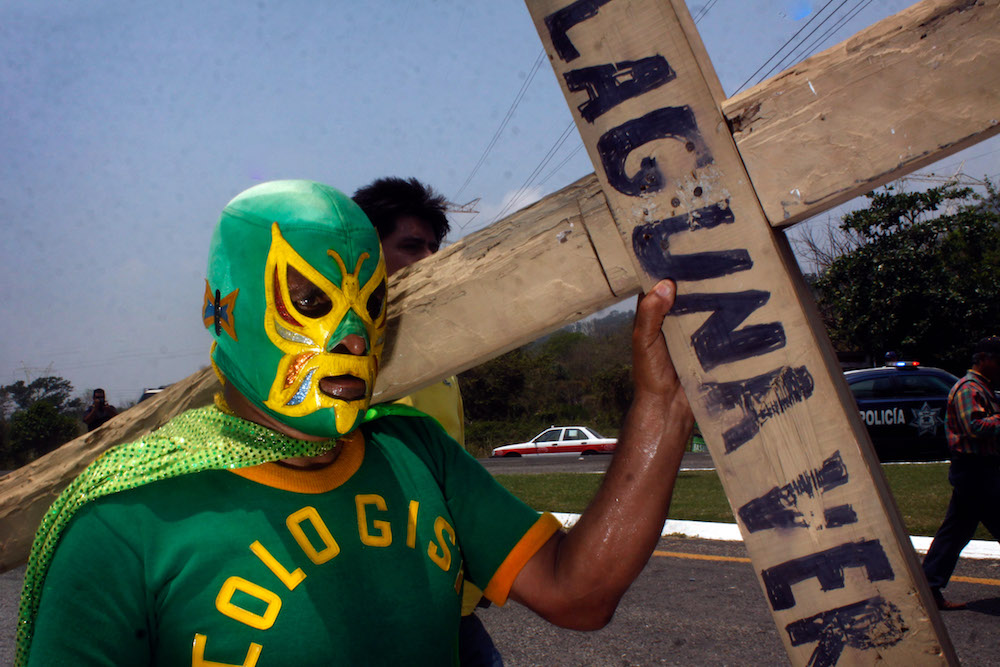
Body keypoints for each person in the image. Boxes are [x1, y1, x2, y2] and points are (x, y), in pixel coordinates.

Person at [17, 180, 692, 666]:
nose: (348, 335)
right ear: (222, 306)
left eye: (368, 304)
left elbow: (580, 592)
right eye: (307, 299)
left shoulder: (412, 449)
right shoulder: (122, 519)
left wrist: (662, 405)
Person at [354, 176, 492, 661]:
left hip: (450, 601)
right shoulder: (336, 357)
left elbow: (452, 472)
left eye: (435, 247)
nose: (430, 261)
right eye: (411, 246)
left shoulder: (441, 359)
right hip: (375, 609)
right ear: (363, 252)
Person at [921, 335, 1000, 610]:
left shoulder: (983, 387)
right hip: (974, 471)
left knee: (955, 532)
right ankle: (928, 586)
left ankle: (928, 586)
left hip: (979, 471)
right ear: (984, 359)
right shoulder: (969, 388)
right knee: (957, 531)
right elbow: (974, 427)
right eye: (998, 359)